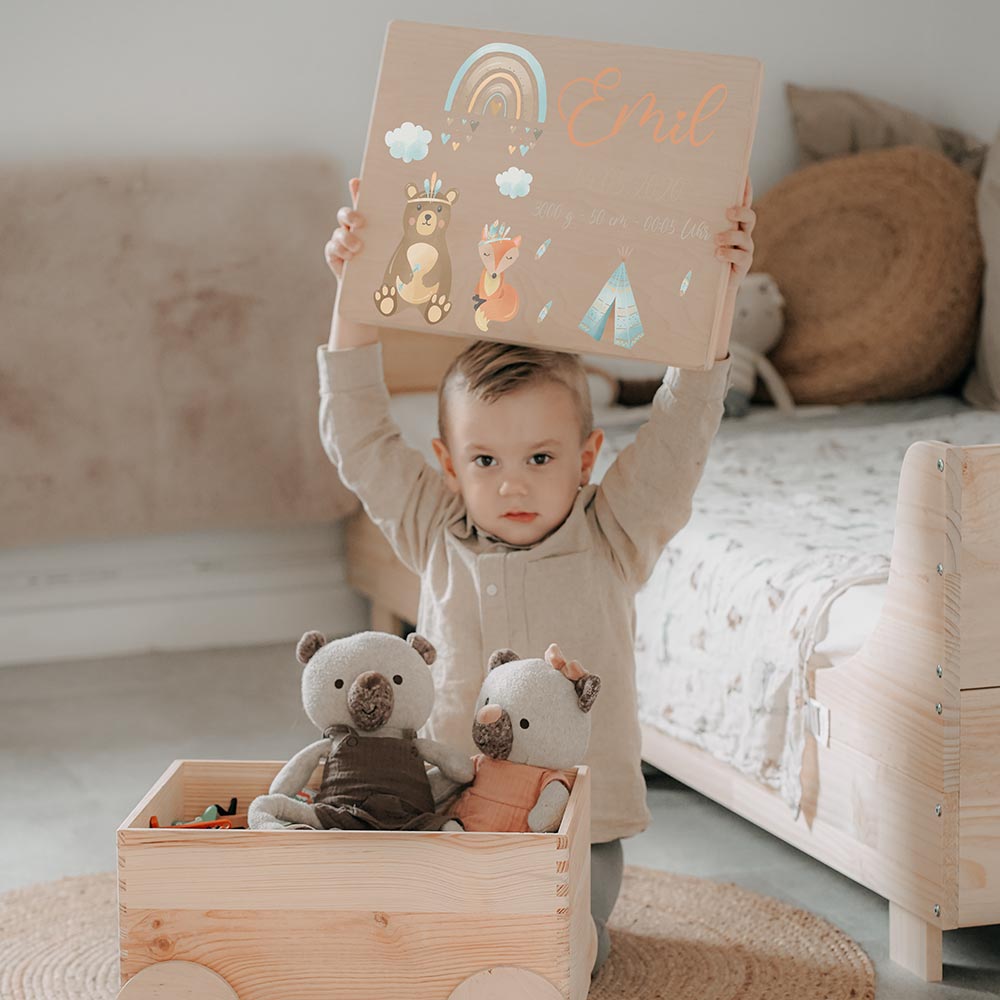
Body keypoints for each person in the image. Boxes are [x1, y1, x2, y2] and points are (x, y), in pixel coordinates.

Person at [319, 175, 755, 973]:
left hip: (578, 818)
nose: (512, 484)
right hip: (455, 803)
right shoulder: (436, 528)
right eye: (486, 460)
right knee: (441, 935)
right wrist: (354, 288)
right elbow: (358, 430)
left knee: (557, 945)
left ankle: (569, 946)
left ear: (587, 459)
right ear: (449, 465)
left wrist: (719, 295)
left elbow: (683, 425)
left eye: (541, 458)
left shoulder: (613, 532)